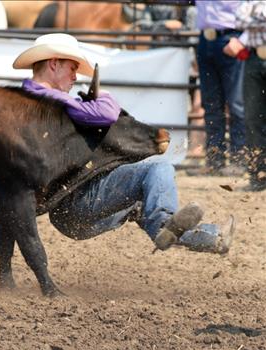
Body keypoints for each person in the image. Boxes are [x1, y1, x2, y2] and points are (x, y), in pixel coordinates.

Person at [13, 33, 235, 254]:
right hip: (78, 202)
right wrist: (103, 94)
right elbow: (108, 114)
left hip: (69, 211)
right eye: (72, 68)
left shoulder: (29, 101)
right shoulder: (51, 101)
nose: (74, 76)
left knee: (143, 205)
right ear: (53, 64)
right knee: (158, 168)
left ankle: (210, 237)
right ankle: (166, 224)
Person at [193, 1, 247, 176]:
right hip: (205, 40)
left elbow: (258, 7)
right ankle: (215, 160)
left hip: (231, 38)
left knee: (237, 104)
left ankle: (240, 159)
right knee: (211, 105)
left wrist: (243, 39)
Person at [223, 1, 266, 192]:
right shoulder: (251, 1)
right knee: (252, 118)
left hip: (254, 58)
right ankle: (258, 176)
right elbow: (238, 19)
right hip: (254, 59)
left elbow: (244, 20)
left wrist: (251, 24)